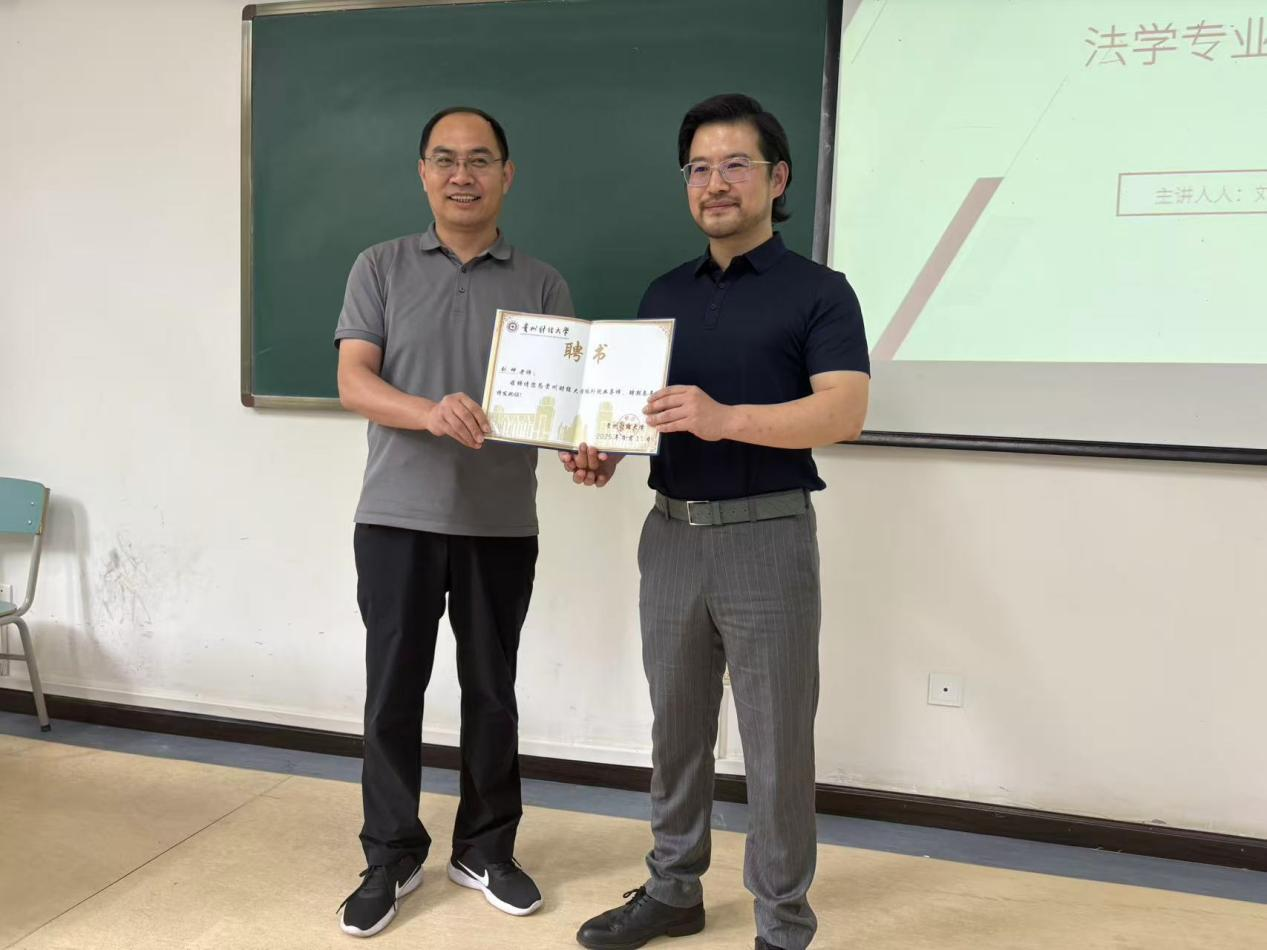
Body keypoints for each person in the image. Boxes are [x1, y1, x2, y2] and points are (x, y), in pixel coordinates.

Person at [565, 93, 870, 950]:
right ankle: (673, 890)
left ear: (777, 179)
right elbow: (642, 413)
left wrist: (725, 418)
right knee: (676, 730)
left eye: (735, 164)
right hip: (668, 533)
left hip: (766, 536)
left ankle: (782, 922)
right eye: (698, 168)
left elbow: (843, 411)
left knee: (775, 742)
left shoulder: (819, 292)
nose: (715, 183)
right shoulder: (662, 293)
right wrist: (606, 451)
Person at [334, 105, 573, 938]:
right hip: (394, 517)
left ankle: (485, 849)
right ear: (423, 173)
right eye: (444, 159)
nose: (461, 174)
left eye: (479, 159)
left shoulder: (542, 285)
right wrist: (430, 412)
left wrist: (590, 446)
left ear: (507, 174)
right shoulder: (379, 266)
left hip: (500, 524)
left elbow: (563, 407)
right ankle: (390, 854)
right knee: (391, 693)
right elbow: (354, 382)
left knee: (491, 693)